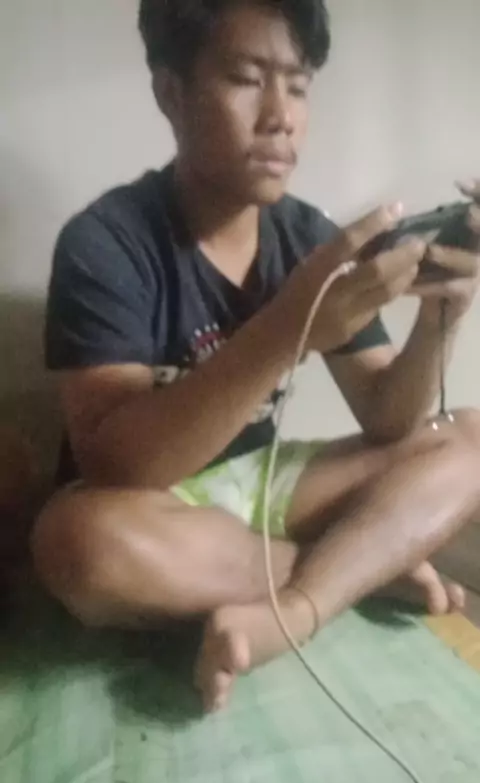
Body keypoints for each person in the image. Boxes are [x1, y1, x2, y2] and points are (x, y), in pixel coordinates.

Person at [33, 0, 480, 728]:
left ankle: (300, 605)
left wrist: (440, 320)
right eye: (246, 79)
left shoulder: (307, 235)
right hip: (153, 504)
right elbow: (118, 464)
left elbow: (386, 419)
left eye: (298, 86)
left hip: (265, 484)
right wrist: (288, 328)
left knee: (469, 438)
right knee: (73, 543)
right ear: (171, 92)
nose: (281, 117)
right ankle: (357, 569)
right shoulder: (106, 242)